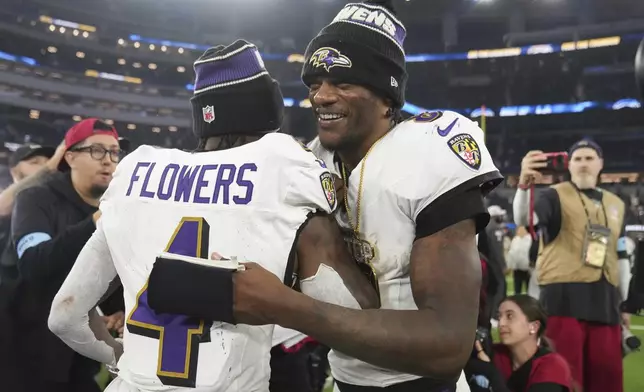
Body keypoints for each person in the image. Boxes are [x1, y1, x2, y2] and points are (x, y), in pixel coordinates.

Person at [157, 1, 503, 391]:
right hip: (343, 379)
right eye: (314, 83)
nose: (320, 96)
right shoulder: (308, 163)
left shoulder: (430, 151)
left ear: (387, 95)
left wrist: (282, 305)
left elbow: (447, 343)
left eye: (342, 81)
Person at [48, 40, 377, 392]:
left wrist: (122, 358)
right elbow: (354, 317)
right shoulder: (282, 166)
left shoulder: (134, 172)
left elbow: (65, 316)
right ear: (268, 108)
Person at [3, 119, 126, 392]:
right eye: (96, 150)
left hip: (77, 358)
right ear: (70, 157)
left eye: (114, 152)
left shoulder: (114, 209)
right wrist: (95, 221)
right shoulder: (36, 199)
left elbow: (111, 273)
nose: (108, 160)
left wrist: (121, 309)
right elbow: (34, 264)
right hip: (22, 356)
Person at [513, 139, 635, 392]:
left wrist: (624, 302)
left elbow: (621, 255)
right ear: (569, 164)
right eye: (577, 158)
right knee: (565, 379)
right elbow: (524, 218)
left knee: (607, 380)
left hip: (605, 302)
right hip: (562, 301)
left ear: (601, 164)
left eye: (589, 158)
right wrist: (524, 185)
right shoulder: (553, 195)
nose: (583, 163)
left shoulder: (617, 204)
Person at [466, 295, 574, 392]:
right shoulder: (495, 353)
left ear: (534, 327)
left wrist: (491, 373)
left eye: (510, 316)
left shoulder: (553, 365)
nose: (501, 323)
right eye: (499, 317)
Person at [507, 226, 532, 295]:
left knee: (529, 291)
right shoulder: (515, 240)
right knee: (517, 290)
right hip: (517, 269)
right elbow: (511, 253)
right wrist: (510, 266)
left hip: (528, 269)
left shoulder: (530, 239)